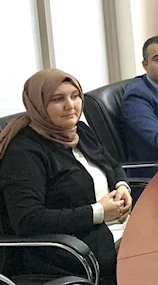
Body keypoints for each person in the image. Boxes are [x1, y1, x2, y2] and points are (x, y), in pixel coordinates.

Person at [0, 69, 131, 284]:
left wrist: (122, 186)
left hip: (119, 227)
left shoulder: (79, 130)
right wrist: (98, 212)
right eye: (57, 99)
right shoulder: (23, 153)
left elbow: (112, 164)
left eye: (75, 96)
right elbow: (28, 219)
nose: (70, 105)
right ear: (39, 104)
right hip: (77, 248)